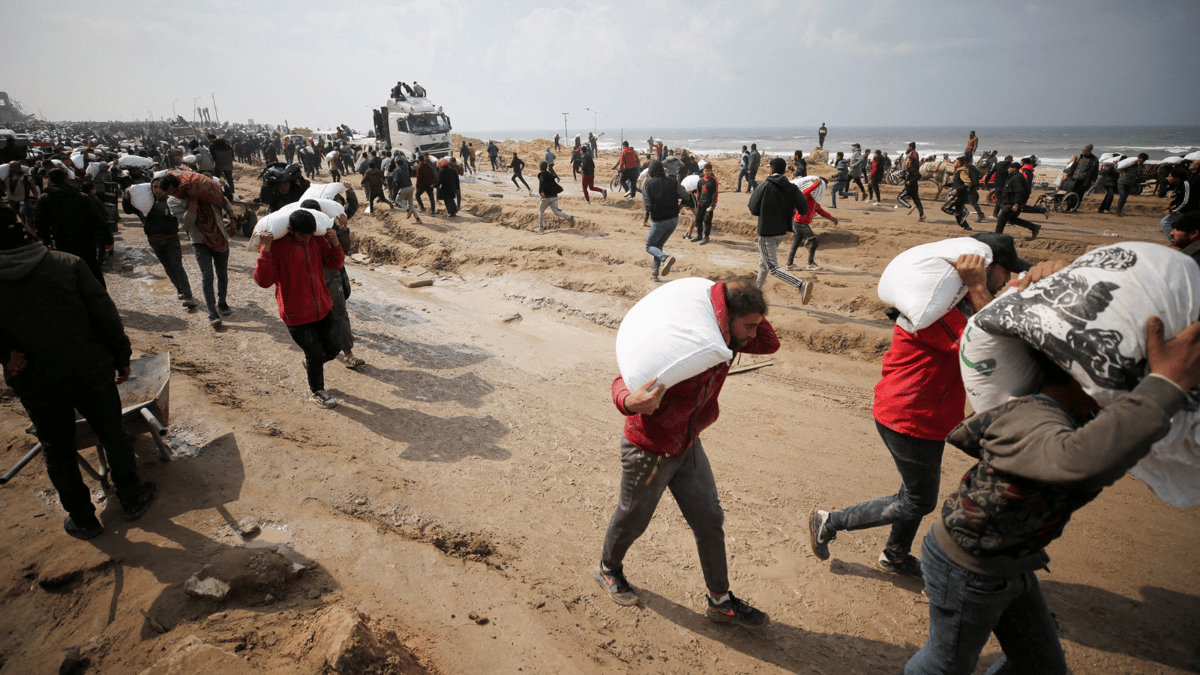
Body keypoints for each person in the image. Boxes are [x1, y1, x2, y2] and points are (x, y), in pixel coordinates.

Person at [899, 314, 1200, 674]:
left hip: (1012, 561)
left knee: (1039, 667)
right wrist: (1165, 385)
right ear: (1083, 375)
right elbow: (1080, 462)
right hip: (969, 567)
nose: (1129, 386)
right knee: (946, 664)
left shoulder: (1071, 414)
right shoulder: (1031, 416)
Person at [810, 233, 1032, 579]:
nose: (1004, 281)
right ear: (986, 270)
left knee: (914, 491)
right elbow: (991, 343)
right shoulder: (938, 314)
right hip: (908, 415)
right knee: (919, 499)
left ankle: (896, 555)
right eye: (1004, 273)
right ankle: (830, 521)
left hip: (927, 414)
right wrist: (977, 286)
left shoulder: (953, 304)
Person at [595, 280, 779, 628]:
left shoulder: (723, 338)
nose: (755, 334)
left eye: (756, 324)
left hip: (688, 443)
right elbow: (625, 377)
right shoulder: (685, 345)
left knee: (709, 519)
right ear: (731, 320)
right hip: (649, 450)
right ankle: (607, 569)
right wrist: (628, 401)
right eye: (750, 326)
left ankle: (720, 601)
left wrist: (728, 297)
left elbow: (771, 344)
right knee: (633, 518)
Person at [0, 205, 158, 540]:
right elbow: (104, 315)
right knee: (112, 432)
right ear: (24, 230)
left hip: (34, 378)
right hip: (88, 368)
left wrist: (5, 355)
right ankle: (131, 498)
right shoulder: (67, 264)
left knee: (56, 448)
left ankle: (83, 518)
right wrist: (122, 356)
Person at [253, 209, 346, 408]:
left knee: (334, 347)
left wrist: (335, 243)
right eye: (301, 236)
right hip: (296, 312)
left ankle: (313, 364)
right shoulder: (276, 246)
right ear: (290, 230)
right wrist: (265, 250)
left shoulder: (316, 241)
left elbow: (335, 263)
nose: (305, 240)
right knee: (313, 352)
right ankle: (317, 391)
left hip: (323, 306)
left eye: (309, 236)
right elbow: (263, 281)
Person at [159, 171, 235, 326]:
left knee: (222, 274)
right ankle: (212, 313)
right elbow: (187, 224)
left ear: (178, 186)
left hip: (219, 235)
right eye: (170, 193)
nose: (174, 195)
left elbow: (222, 198)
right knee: (207, 276)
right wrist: (192, 203)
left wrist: (232, 217)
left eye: (174, 191)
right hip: (199, 241)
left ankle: (222, 303)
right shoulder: (173, 201)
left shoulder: (201, 190)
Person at [300, 199, 364, 370]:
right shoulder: (297, 231)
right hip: (310, 281)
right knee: (315, 318)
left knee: (340, 312)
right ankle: (314, 355)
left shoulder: (327, 227)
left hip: (331, 277)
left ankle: (348, 354)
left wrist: (342, 230)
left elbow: (344, 251)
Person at [748, 157, 813, 303]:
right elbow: (803, 206)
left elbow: (753, 208)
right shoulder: (791, 187)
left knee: (772, 268)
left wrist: (764, 212)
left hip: (767, 232)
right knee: (763, 263)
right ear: (784, 171)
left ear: (771, 170)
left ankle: (801, 285)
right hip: (782, 231)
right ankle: (756, 294)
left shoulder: (764, 186)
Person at [34, 168, 111, 286]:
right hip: (85, 240)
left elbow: (41, 223)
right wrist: (108, 239)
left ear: (49, 181)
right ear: (66, 180)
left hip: (62, 240)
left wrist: (46, 240)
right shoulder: (82, 197)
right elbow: (98, 219)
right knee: (92, 268)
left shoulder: (44, 198)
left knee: (66, 269)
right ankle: (101, 297)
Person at [136, 177, 198, 309]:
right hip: (154, 241)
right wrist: (126, 197)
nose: (157, 190)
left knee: (177, 266)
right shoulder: (146, 203)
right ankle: (179, 289)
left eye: (160, 186)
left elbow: (185, 218)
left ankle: (188, 296)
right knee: (168, 267)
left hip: (171, 239)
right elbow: (129, 209)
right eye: (154, 187)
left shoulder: (172, 201)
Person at [642, 160, 692, 282]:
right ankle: (654, 274)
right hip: (674, 220)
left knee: (649, 246)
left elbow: (647, 207)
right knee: (658, 246)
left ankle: (665, 258)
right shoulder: (673, 181)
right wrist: (679, 207)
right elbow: (686, 196)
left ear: (651, 172)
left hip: (659, 221)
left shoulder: (648, 184)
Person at [786, 175, 835, 271]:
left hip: (801, 222)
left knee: (796, 243)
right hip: (800, 222)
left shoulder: (814, 199)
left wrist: (831, 218)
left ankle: (789, 264)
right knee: (814, 241)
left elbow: (819, 210)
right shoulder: (808, 195)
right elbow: (804, 193)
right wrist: (816, 184)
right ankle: (810, 263)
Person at [993, 162, 1041, 239]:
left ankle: (997, 236)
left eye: (1010, 168)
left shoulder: (1017, 178)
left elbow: (1020, 191)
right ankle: (1034, 227)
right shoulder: (1013, 177)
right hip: (1010, 203)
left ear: (1014, 169)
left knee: (1001, 218)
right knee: (1012, 219)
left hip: (1011, 204)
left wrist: (1016, 204)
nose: (1008, 169)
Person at [1159, 166, 1198, 240]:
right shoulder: (1181, 184)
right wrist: (1171, 204)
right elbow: (1179, 198)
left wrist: (1172, 210)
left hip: (1189, 210)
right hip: (1185, 210)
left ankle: (1172, 241)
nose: (1168, 178)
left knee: (1165, 222)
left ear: (1177, 177)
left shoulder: (1186, 184)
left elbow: (1185, 201)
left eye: (1170, 176)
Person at [685, 163, 718, 244]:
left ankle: (706, 236)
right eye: (705, 171)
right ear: (703, 171)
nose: (707, 172)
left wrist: (713, 205)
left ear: (711, 171)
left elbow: (715, 193)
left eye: (708, 171)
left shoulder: (713, 181)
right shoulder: (700, 181)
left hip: (709, 204)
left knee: (707, 221)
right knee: (698, 219)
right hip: (700, 204)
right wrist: (698, 201)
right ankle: (699, 235)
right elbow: (698, 192)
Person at [536, 161, 573, 232]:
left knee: (541, 211)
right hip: (554, 196)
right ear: (546, 167)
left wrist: (540, 193)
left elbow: (541, 184)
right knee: (556, 212)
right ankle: (568, 217)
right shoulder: (550, 174)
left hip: (547, 196)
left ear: (540, 167)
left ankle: (540, 228)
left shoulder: (542, 175)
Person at [940, 157, 975, 230]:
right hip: (960, 195)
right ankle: (966, 227)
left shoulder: (962, 171)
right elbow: (957, 183)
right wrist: (946, 184)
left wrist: (956, 190)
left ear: (959, 164)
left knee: (945, 208)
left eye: (955, 162)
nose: (954, 163)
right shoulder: (959, 171)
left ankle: (963, 213)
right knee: (957, 214)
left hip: (959, 195)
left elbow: (968, 183)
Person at [389, 152, 422, 223]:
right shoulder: (406, 169)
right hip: (411, 187)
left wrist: (396, 187)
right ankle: (418, 219)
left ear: (397, 164)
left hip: (404, 188)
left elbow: (396, 181)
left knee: (397, 200)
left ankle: (407, 210)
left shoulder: (396, 170)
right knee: (411, 205)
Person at [897, 142, 926, 222]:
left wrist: (910, 181)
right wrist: (903, 177)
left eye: (907, 160)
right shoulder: (910, 167)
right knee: (917, 201)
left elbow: (918, 175)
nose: (906, 161)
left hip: (910, 185)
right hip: (913, 184)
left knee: (899, 198)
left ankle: (910, 207)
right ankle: (922, 215)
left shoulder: (913, 156)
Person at [4, 161, 39, 225]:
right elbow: (4, 186)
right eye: (11, 167)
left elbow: (33, 187)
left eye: (15, 167)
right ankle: (18, 225)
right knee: (14, 213)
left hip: (23, 198)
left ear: (20, 168)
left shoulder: (26, 177)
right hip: (11, 198)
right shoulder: (6, 177)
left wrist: (36, 196)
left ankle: (26, 225)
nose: (13, 169)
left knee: (22, 213)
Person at [208, 133, 236, 202]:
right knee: (230, 179)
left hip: (218, 165)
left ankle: (217, 192)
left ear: (211, 139)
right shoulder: (228, 145)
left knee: (216, 179)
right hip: (229, 165)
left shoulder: (212, 146)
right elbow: (232, 155)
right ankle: (232, 192)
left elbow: (212, 157)